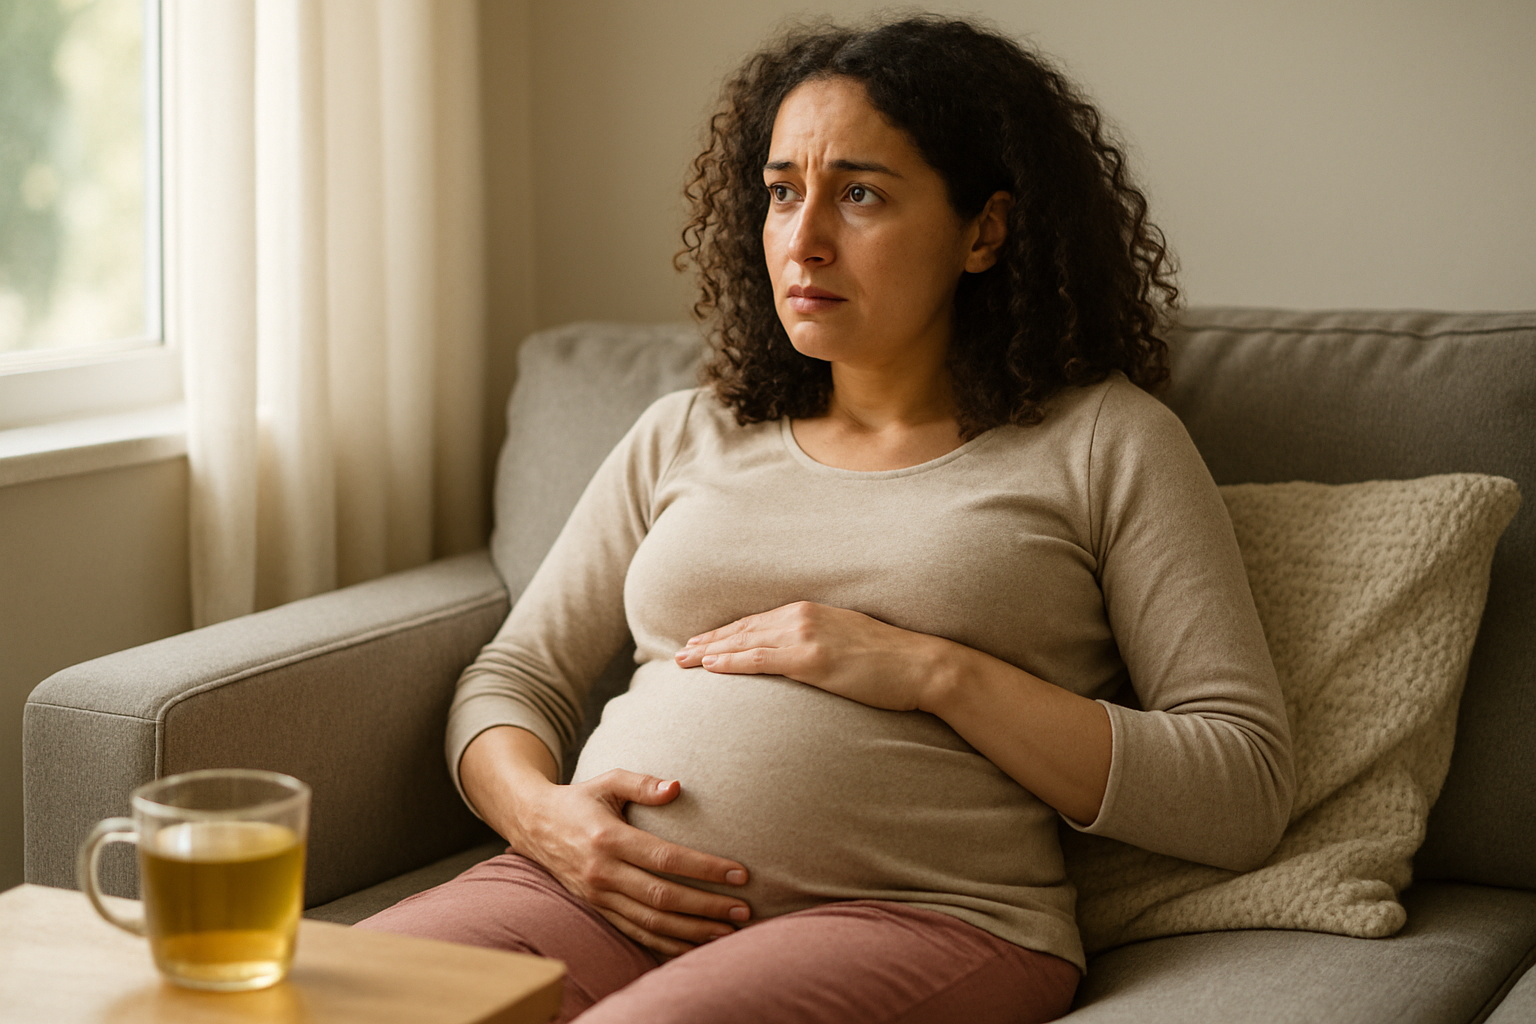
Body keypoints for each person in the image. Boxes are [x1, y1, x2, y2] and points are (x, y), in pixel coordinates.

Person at [358, 15, 1295, 1023]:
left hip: (918, 916)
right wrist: (547, 822)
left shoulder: (1106, 441)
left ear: (984, 230)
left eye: (858, 194)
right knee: (317, 992)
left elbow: (1240, 783)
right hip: (586, 890)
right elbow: (514, 677)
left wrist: (930, 670)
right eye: (781, 192)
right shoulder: (690, 429)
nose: (802, 241)